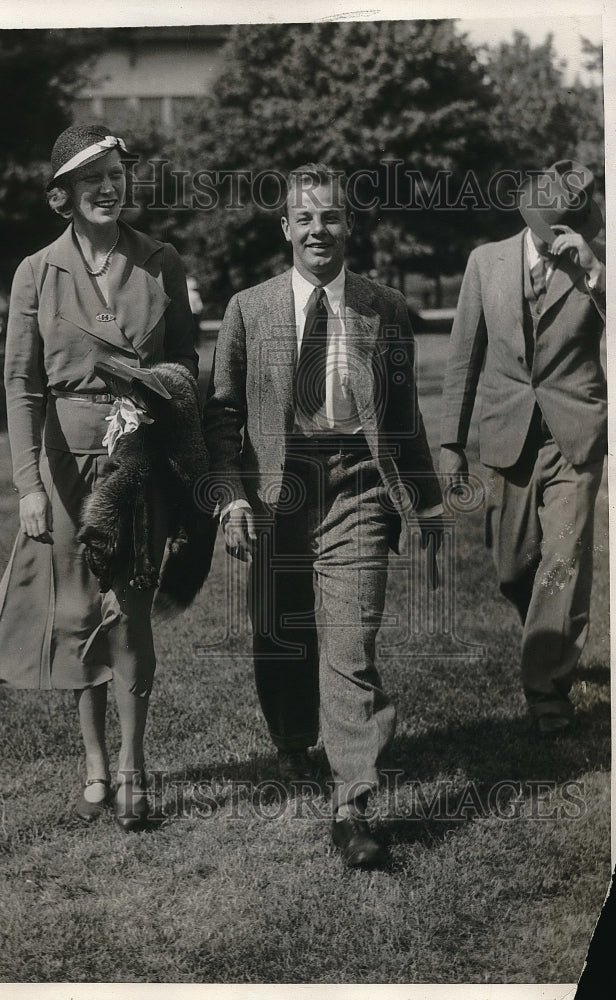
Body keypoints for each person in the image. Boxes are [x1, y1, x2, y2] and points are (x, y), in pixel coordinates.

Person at [203, 163, 442, 868]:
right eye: (304, 218)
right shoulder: (249, 309)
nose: (318, 229)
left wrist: (423, 501)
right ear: (284, 229)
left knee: (349, 642)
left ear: (348, 225)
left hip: (358, 486)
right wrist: (232, 496)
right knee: (280, 628)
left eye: (330, 216)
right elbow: (219, 417)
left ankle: (352, 803)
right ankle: (289, 742)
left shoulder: (383, 308)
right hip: (279, 485)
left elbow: (402, 417)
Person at [0, 123, 198, 830]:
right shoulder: (35, 272)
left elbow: (185, 369)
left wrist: (151, 407)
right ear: (63, 196)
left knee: (128, 613)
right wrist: (28, 487)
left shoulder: (160, 261)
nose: (108, 188)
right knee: (78, 613)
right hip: (66, 463)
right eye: (91, 179)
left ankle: (134, 768)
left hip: (138, 460)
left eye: (116, 174)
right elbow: (21, 384)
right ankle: (94, 763)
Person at [439, 159, 606, 738]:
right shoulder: (485, 262)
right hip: (507, 434)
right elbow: (463, 354)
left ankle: (547, 691)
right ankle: (546, 630)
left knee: (563, 559)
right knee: (514, 567)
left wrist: (596, 275)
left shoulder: (597, 263)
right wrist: (450, 442)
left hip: (575, 434)